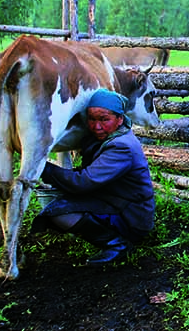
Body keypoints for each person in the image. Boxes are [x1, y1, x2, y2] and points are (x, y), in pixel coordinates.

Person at [32, 88, 155, 266]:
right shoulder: (110, 138)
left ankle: (116, 244)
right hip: (114, 200)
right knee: (62, 204)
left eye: (104, 119)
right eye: (91, 119)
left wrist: (41, 167)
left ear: (119, 119)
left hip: (130, 215)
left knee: (60, 213)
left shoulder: (121, 147)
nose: (96, 126)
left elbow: (84, 181)